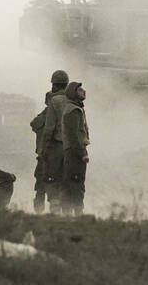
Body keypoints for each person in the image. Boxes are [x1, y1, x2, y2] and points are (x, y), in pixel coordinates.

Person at [35, 69, 70, 213]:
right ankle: (69, 210)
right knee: (67, 180)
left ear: (54, 85)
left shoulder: (53, 103)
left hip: (55, 147)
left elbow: (46, 128)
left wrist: (43, 149)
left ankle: (51, 209)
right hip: (71, 148)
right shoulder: (74, 101)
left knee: (49, 178)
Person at [61, 80, 91, 215]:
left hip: (73, 152)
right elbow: (74, 135)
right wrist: (82, 153)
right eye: (80, 90)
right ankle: (78, 215)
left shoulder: (75, 108)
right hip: (75, 153)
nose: (83, 91)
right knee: (76, 184)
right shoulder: (73, 111)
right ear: (73, 94)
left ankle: (67, 215)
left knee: (71, 184)